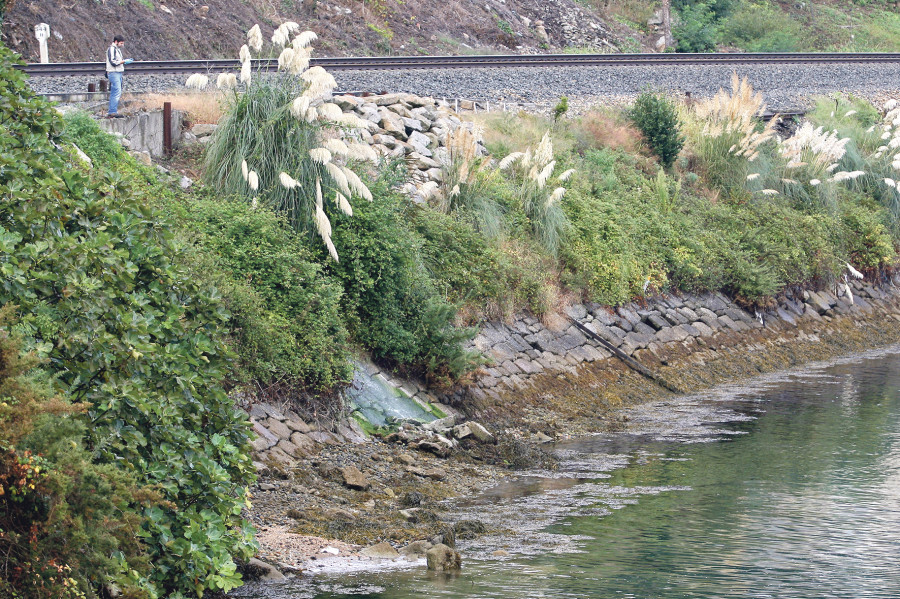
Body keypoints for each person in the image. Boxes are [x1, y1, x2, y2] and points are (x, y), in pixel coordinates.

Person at [105, 35, 133, 118]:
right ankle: (112, 112)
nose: (122, 45)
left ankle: (113, 111)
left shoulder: (117, 50)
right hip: (114, 73)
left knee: (116, 92)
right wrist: (124, 61)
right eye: (121, 43)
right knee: (116, 92)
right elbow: (113, 62)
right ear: (116, 42)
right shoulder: (111, 49)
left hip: (118, 73)